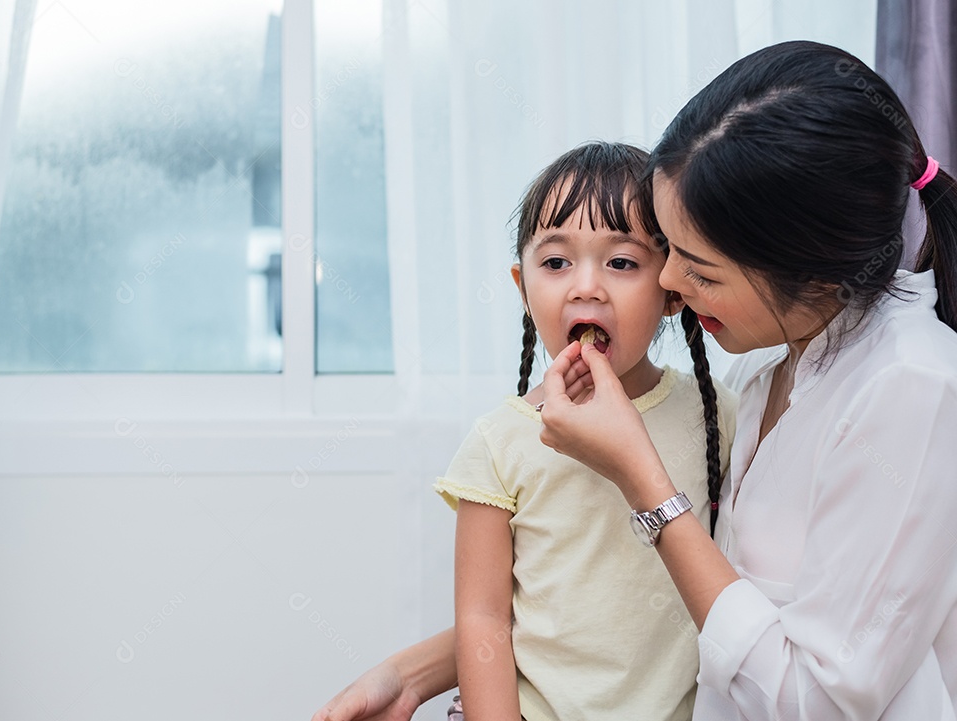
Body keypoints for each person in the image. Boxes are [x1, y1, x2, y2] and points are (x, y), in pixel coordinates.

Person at [313, 40, 957, 720]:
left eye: (694, 269)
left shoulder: (906, 387)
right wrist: (413, 672)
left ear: (813, 273)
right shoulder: (771, 364)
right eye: (672, 251)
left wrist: (640, 476)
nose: (672, 283)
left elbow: (810, 697)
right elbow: (655, 601)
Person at [317, 142, 738, 721]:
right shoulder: (498, 442)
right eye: (556, 262)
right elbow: (485, 619)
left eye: (621, 262)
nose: (586, 287)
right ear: (521, 285)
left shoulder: (720, 417)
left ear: (669, 289)